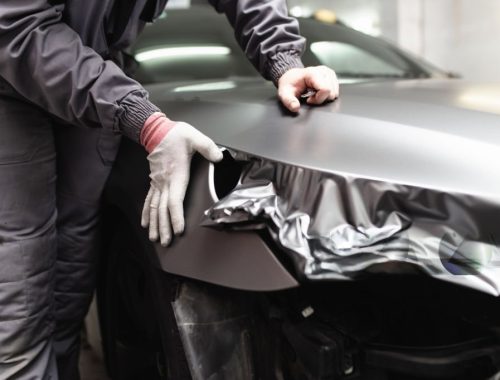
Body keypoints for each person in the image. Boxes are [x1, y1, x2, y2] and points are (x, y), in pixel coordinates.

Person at [0, 0, 339, 379]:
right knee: (20, 301)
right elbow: (15, 25)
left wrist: (284, 60)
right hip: (10, 83)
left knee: (69, 285)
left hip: (94, 79)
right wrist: (143, 120)